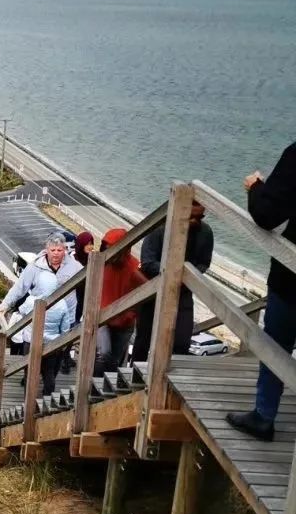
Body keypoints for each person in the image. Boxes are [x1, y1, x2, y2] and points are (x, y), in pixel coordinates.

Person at [227, 143, 296, 442]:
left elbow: (267, 213)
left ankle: (264, 415)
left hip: (291, 280)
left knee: (275, 345)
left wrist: (255, 187)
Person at [132, 201, 214, 361]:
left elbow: (204, 263)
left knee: (182, 341)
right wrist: (175, 273)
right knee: (144, 340)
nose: (195, 221)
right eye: (191, 216)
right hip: (153, 291)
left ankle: (168, 381)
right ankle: (134, 381)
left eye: (200, 216)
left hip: (183, 291)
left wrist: (189, 275)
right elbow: (147, 261)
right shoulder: (160, 229)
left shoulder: (205, 232)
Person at [0, 232, 79, 392]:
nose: (56, 253)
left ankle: (48, 386)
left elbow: (86, 284)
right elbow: (20, 287)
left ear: (65, 249)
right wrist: (5, 304)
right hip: (38, 316)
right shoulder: (35, 267)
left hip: (65, 316)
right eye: (53, 250)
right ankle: (29, 379)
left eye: (59, 250)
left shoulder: (74, 267)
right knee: (31, 351)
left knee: (55, 356)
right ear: (46, 250)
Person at [95, 227, 145, 373]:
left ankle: (106, 393)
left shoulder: (135, 267)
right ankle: (92, 388)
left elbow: (148, 290)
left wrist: (132, 313)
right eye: (107, 248)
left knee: (114, 361)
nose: (111, 253)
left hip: (124, 323)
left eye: (114, 249)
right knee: (103, 354)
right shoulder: (101, 262)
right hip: (102, 319)